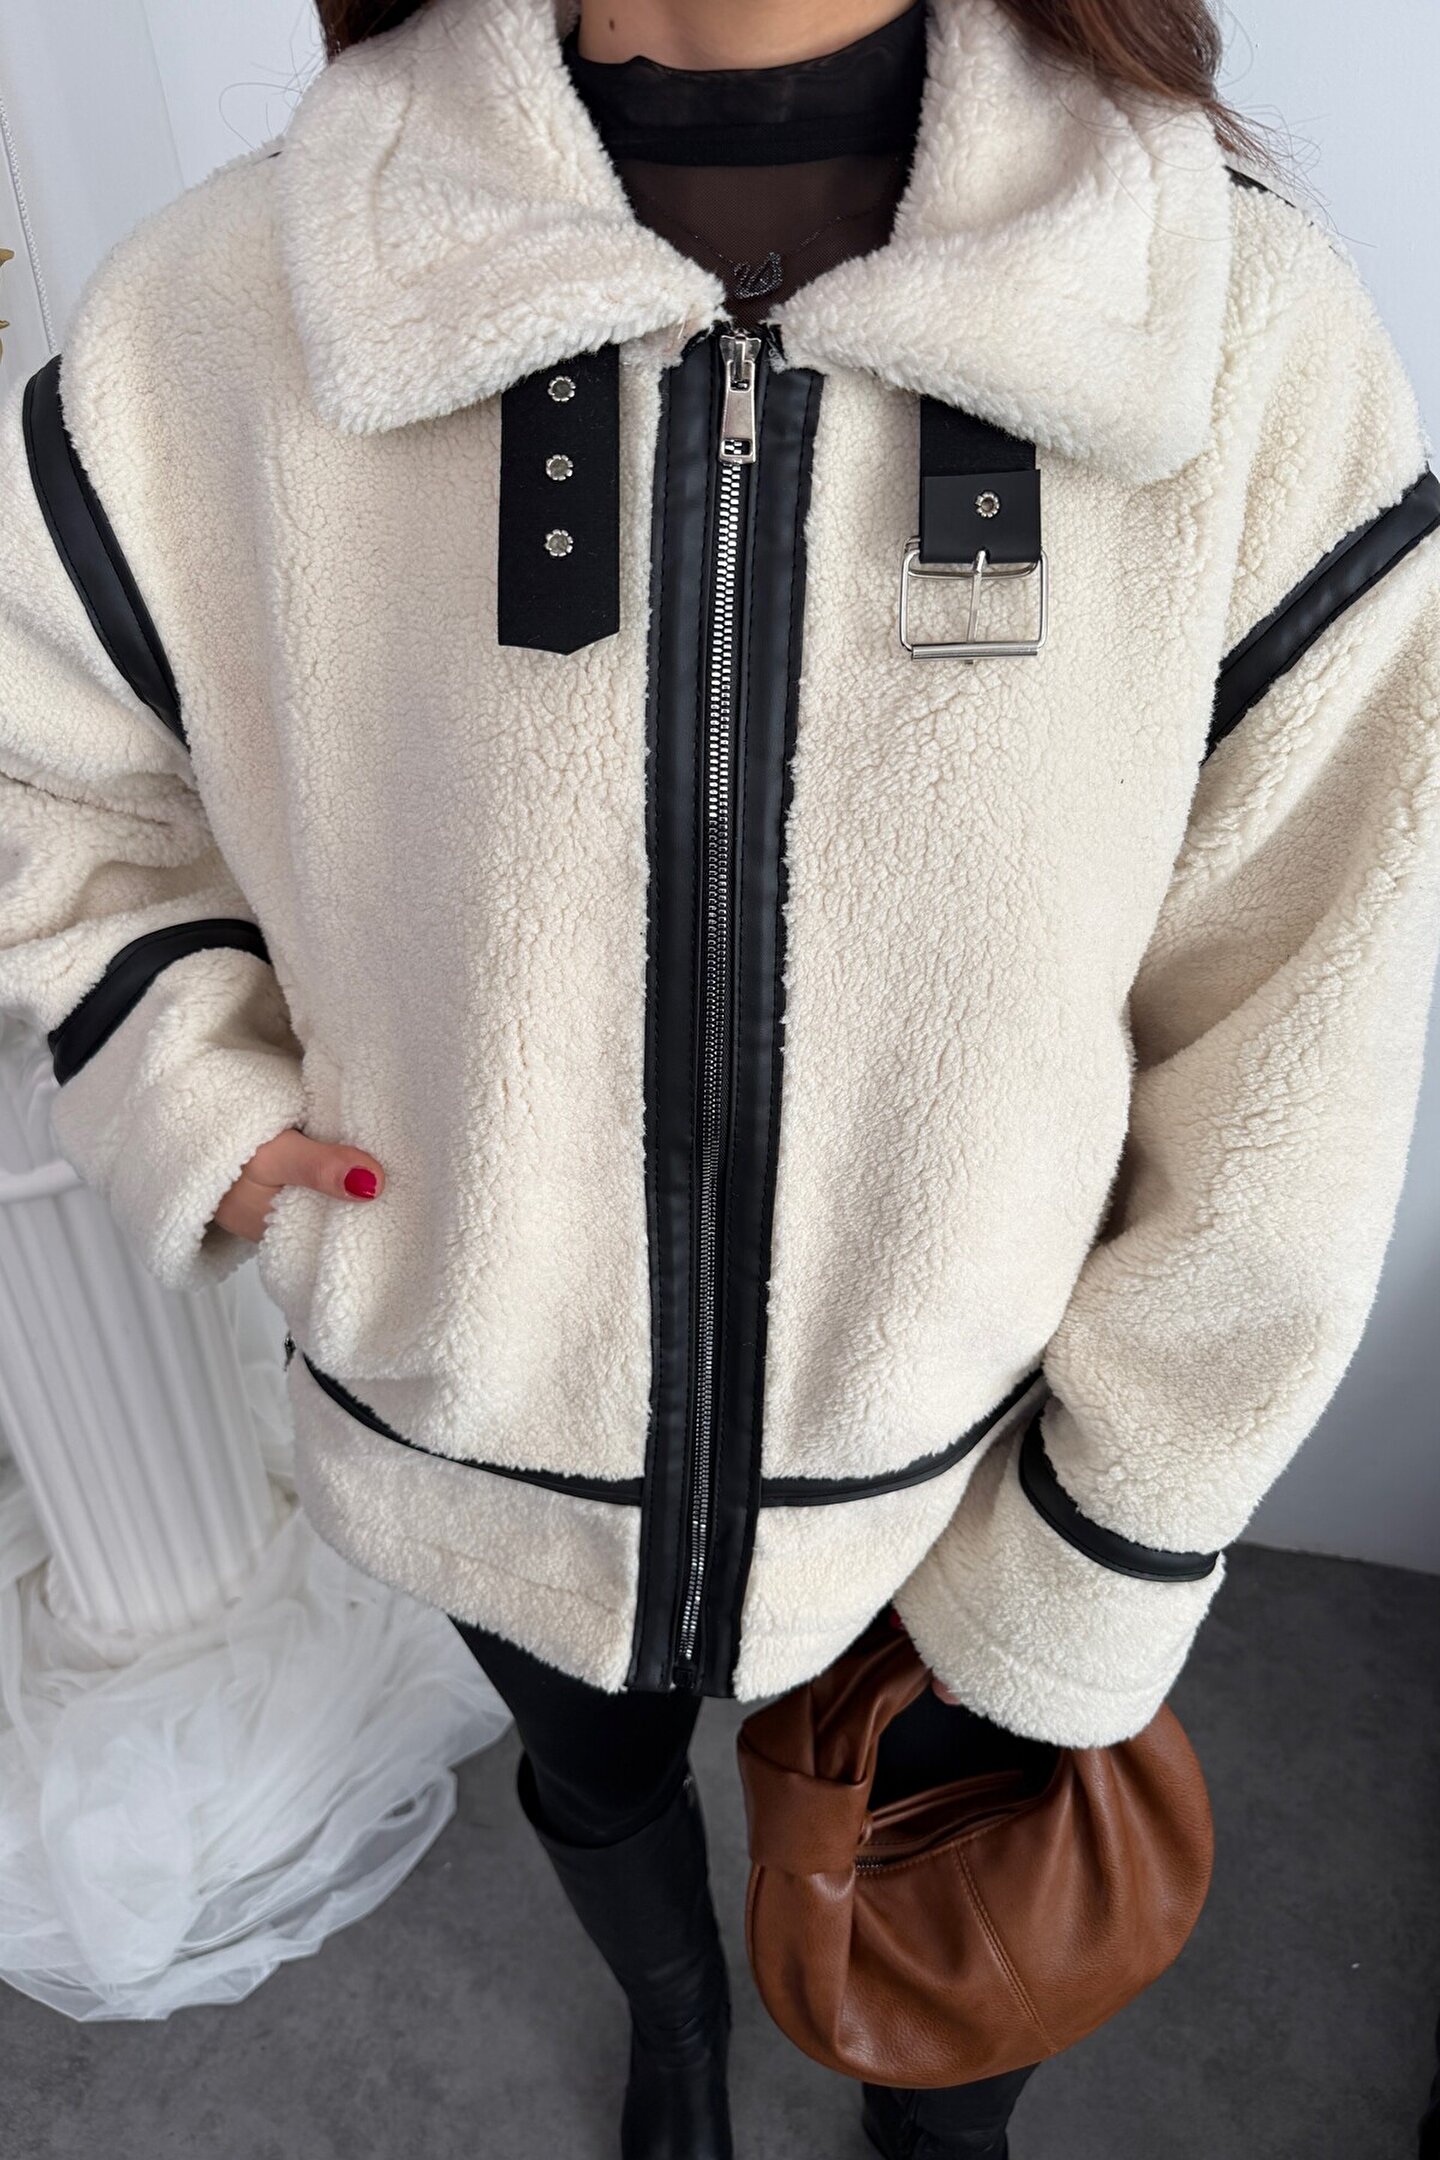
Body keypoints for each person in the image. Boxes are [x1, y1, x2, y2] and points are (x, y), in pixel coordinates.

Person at [1, 0, 1437, 2152]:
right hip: (482, 1412)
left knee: (954, 1902)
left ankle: (938, 2127)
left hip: (972, 1454)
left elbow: (1305, 1014)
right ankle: (673, 2033)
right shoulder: (236, 305)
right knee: (593, 1790)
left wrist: (1113, 1526)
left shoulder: (1222, 323)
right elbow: (48, 767)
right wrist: (192, 1104)